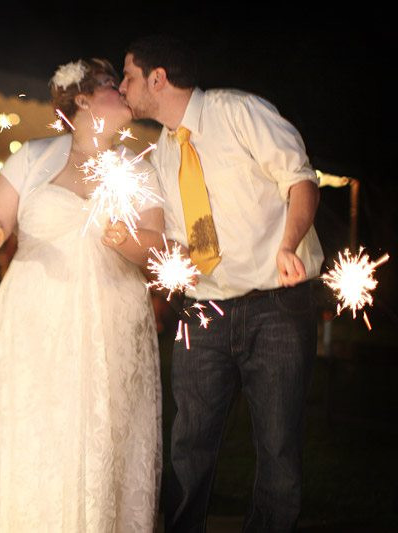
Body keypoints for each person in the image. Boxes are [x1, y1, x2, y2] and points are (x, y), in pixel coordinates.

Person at [119, 35, 323, 531]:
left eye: (128, 76)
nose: (122, 87)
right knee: (189, 445)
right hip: (203, 310)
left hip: (275, 303)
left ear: (158, 78)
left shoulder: (240, 112)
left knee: (277, 445)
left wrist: (289, 244)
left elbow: (300, 179)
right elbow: (181, 246)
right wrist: (128, 241)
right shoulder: (163, 154)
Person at [0, 58, 164, 532]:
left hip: (112, 318)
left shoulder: (137, 168)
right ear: (83, 98)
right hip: (37, 322)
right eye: (115, 86)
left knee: (105, 437)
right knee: (40, 433)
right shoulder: (32, 157)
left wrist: (127, 240)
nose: (126, 94)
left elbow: (156, 243)